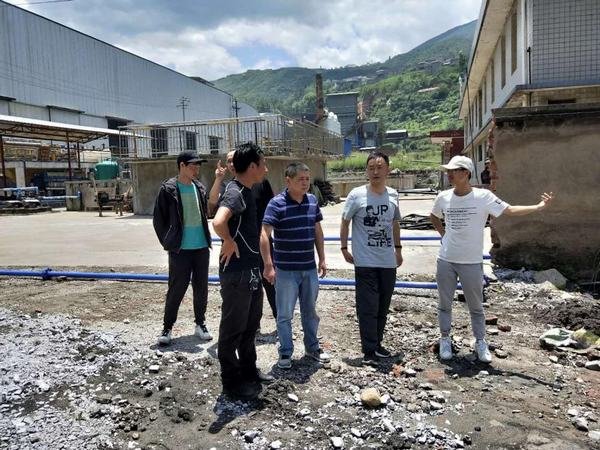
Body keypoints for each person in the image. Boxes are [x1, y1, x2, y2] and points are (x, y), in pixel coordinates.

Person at [430, 155, 554, 363]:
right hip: (446, 259)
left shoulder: (483, 197)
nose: (449, 174)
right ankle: (444, 339)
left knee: (476, 306)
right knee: (444, 303)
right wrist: (444, 235)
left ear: (465, 173)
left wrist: (539, 206)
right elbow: (433, 216)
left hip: (471, 261)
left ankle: (480, 342)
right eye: (448, 171)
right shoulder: (443, 197)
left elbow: (510, 210)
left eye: (453, 170)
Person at [212, 142, 271, 399]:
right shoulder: (235, 192)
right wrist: (228, 240)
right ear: (252, 166)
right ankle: (231, 382)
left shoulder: (248, 190)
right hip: (237, 273)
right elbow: (218, 221)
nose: (266, 169)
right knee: (233, 329)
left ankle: (248, 371)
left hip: (251, 270)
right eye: (263, 164)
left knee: (250, 326)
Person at [260, 162, 330, 370]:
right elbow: (264, 234)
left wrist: (322, 258)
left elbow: (317, 231)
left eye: (307, 179)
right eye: (300, 179)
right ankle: (285, 352)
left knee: (310, 312)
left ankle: (312, 348)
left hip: (309, 268)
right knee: (284, 315)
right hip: (286, 271)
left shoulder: (312, 201)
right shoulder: (276, 204)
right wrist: (268, 265)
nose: (305, 183)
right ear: (288, 181)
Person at [340, 151, 403, 367]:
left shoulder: (393, 195)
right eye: (371, 168)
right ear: (367, 171)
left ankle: (377, 344)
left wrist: (398, 249)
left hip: (387, 261)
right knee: (368, 307)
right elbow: (345, 221)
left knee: (383, 306)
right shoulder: (356, 195)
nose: (375, 171)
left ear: (388, 170)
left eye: (379, 167)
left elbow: (395, 223)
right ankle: (368, 350)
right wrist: (344, 248)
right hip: (365, 261)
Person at [152, 151, 212, 346]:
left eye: (198, 165)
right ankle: (167, 327)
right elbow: (158, 219)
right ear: (182, 166)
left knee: (201, 288)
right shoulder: (168, 189)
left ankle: (200, 324)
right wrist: (168, 241)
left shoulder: (199, 187)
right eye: (193, 165)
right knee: (177, 288)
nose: (197, 169)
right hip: (180, 249)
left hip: (201, 247)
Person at [209, 150, 277, 319]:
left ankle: (279, 321)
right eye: (229, 161)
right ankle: (250, 326)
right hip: (240, 253)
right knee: (243, 298)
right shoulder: (232, 189)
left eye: (234, 160)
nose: (232, 164)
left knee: (269, 284)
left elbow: (273, 208)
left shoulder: (260, 184)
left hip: (261, 242)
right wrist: (228, 240)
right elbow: (214, 209)